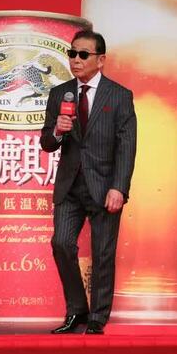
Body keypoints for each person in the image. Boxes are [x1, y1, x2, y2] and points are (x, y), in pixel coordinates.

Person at [40, 30, 137, 334]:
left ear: (101, 60)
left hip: (105, 186)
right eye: (72, 53)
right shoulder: (60, 94)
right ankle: (77, 310)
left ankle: (97, 318)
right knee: (61, 243)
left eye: (83, 54)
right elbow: (47, 143)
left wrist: (119, 187)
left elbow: (127, 146)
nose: (76, 60)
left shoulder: (119, 96)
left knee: (103, 253)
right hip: (70, 186)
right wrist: (57, 130)